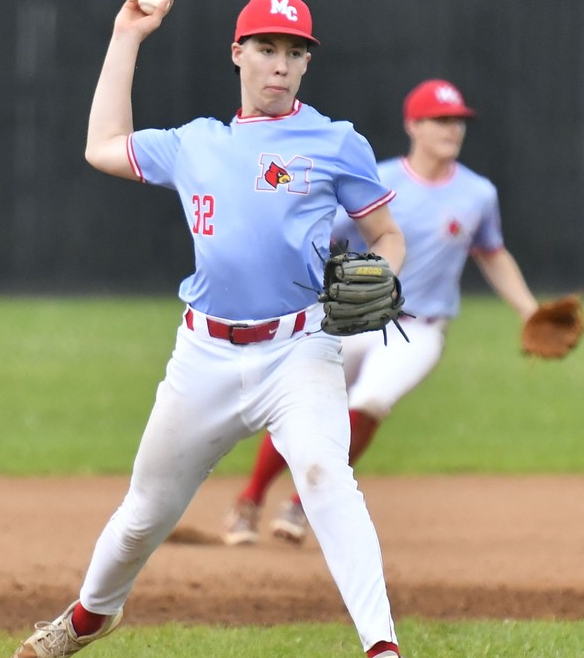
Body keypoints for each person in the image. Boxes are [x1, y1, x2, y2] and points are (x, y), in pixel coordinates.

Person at [5, 0, 425, 658]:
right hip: (203, 355)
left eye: (294, 52)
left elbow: (387, 236)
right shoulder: (198, 143)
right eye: (266, 48)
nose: (280, 65)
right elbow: (102, 146)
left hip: (299, 348)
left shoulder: (335, 141)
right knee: (144, 516)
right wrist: (127, 37)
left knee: (327, 478)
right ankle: (86, 616)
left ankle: (384, 652)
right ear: (238, 53)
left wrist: (383, 271)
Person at [223, 78, 540, 547]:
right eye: (440, 120)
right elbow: (321, 236)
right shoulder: (379, 180)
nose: (452, 129)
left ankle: (301, 502)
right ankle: (250, 499)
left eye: (458, 121)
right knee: (301, 405)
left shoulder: (477, 194)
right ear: (413, 125)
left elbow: (492, 253)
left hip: (420, 329)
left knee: (369, 402)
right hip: (353, 315)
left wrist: (528, 310)